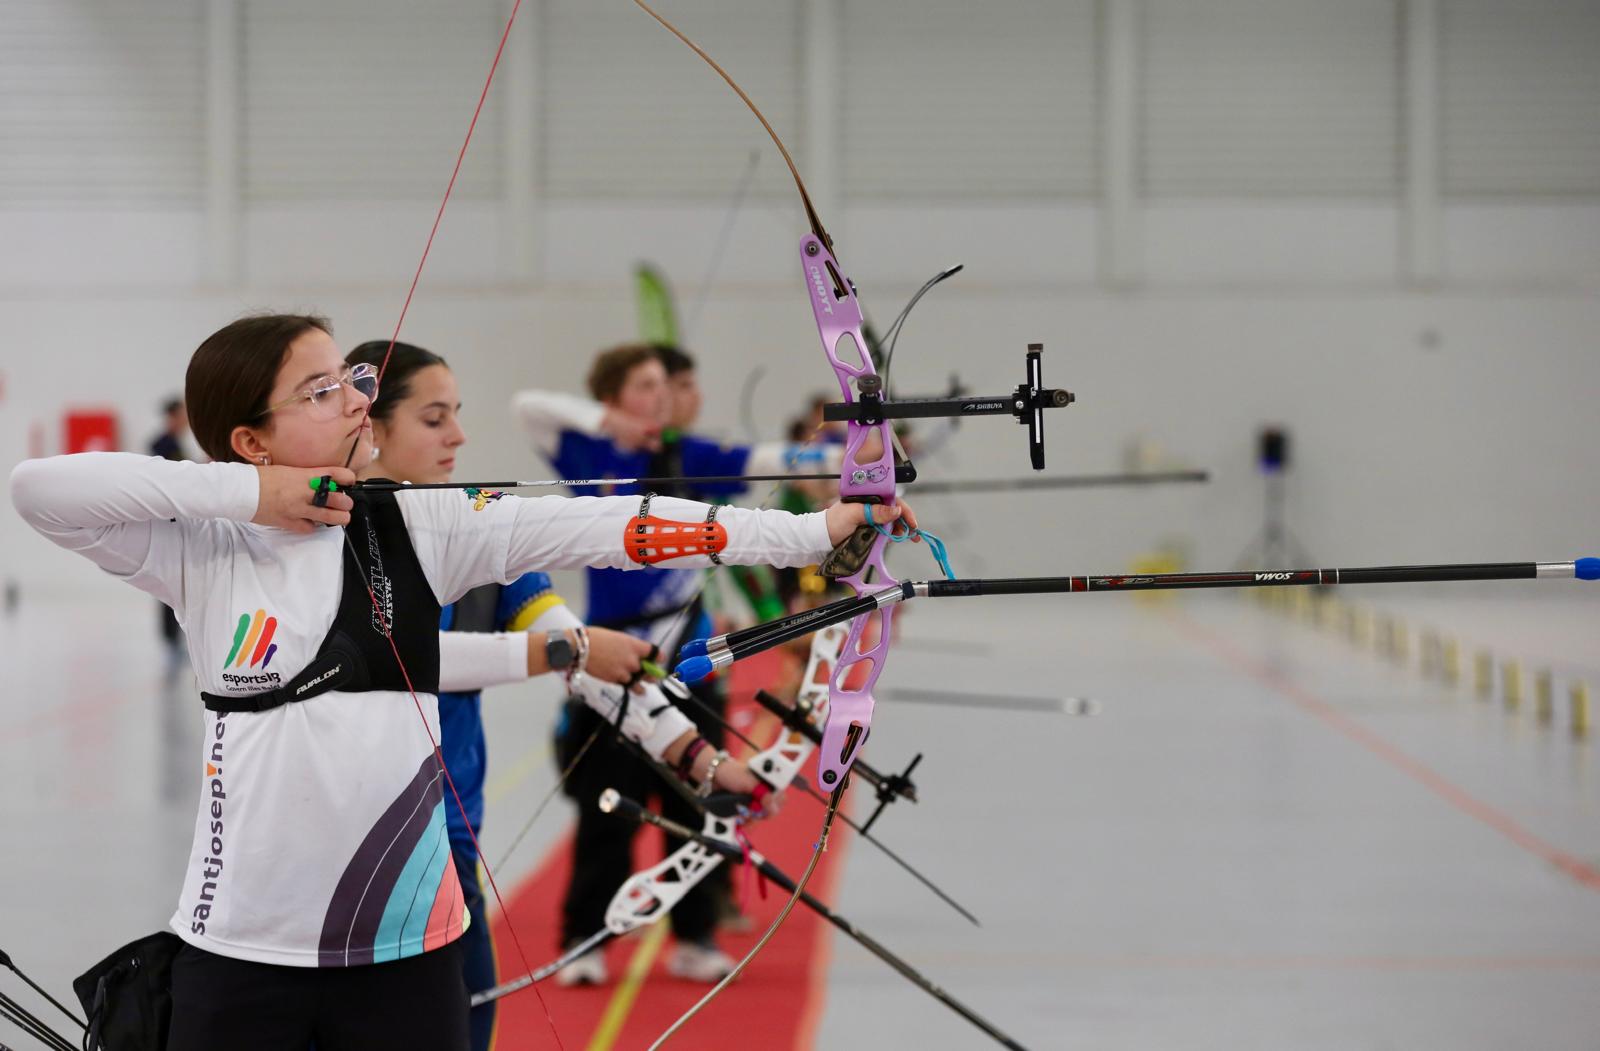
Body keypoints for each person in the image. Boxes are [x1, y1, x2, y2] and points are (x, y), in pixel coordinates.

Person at [10, 313, 908, 1050]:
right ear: (251, 436)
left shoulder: (429, 525)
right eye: (320, 391)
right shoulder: (201, 549)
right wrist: (252, 495)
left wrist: (810, 532)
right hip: (241, 950)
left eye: (353, 382)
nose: (352, 400)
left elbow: (612, 527)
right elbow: (39, 488)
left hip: (409, 951)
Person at [345, 339, 778, 1049]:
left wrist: (700, 758)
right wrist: (561, 650)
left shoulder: (477, 525)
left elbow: (588, 662)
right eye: (433, 419)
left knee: (467, 1023)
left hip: (450, 841)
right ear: (372, 425)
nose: (459, 435)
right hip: (349, 843)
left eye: (457, 413)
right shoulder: (324, 535)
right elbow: (396, 661)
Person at [511, 343, 839, 984]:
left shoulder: (689, 457)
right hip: (609, 660)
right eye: (645, 385)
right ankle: (586, 941)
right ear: (613, 397)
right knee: (608, 810)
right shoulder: (590, 452)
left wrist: (848, 460)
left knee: (697, 805)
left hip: (688, 663)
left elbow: (772, 460)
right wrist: (608, 425)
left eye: (665, 386)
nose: (660, 397)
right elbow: (528, 409)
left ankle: (693, 936)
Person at [148, 396, 192, 672]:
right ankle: (169, 641)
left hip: (176, 521)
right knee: (167, 582)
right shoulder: (163, 445)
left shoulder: (175, 444)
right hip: (166, 521)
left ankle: (174, 639)